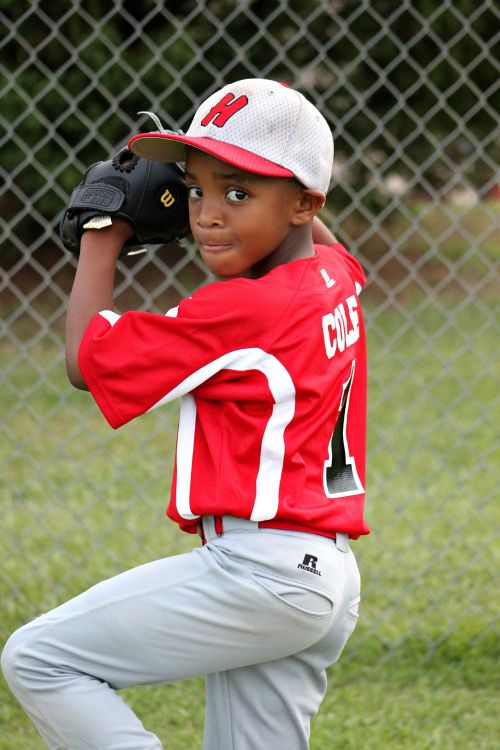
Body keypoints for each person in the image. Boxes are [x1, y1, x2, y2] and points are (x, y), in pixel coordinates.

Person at [1, 78, 369, 750]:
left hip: (260, 574)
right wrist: (245, 182)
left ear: (303, 203)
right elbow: (323, 236)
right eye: (197, 187)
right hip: (323, 577)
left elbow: (88, 362)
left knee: (40, 658)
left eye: (238, 191)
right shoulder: (334, 277)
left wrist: (101, 232)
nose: (206, 214)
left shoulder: (241, 309)